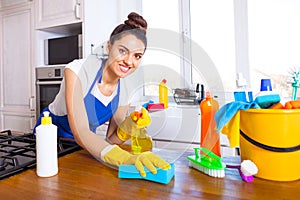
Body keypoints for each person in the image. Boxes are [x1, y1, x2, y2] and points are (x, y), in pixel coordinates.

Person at [34, 12, 170, 177]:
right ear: (108, 47)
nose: (129, 61)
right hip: (49, 141)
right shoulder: (78, 70)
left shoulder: (126, 86)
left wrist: (127, 129)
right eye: (122, 51)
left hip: (85, 147)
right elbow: (81, 131)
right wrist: (126, 159)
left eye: (137, 56)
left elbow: (111, 139)